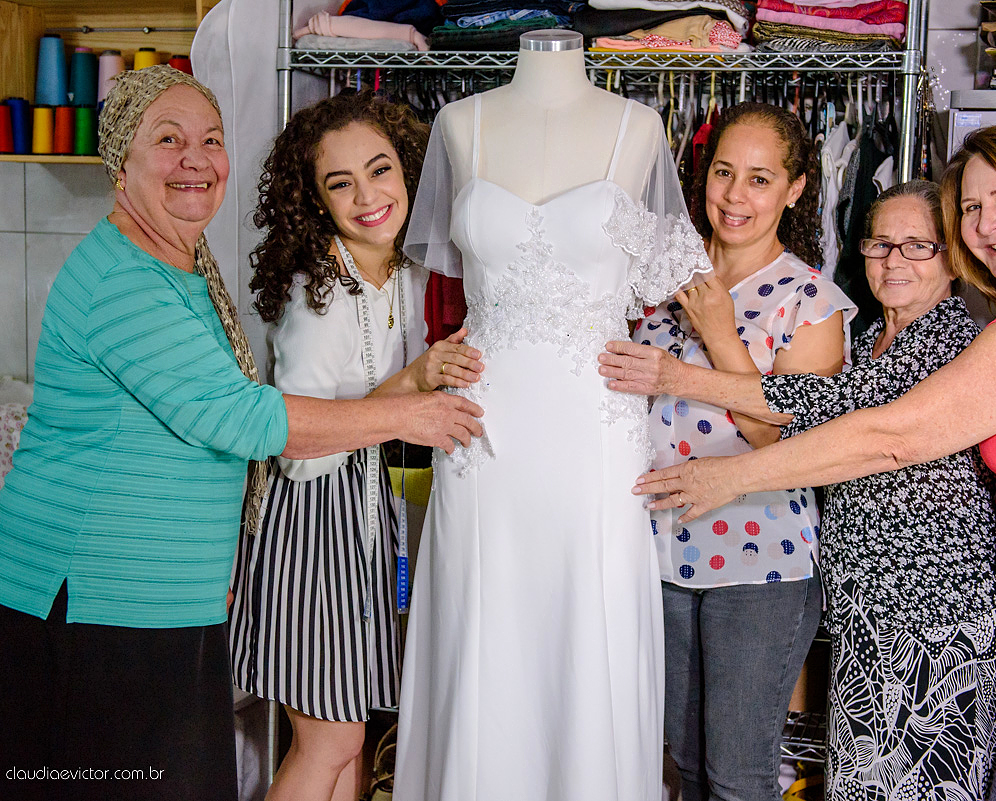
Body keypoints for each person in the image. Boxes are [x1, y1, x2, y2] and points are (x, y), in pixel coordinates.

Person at [616, 123, 996, 801]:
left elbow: (891, 435)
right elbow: (834, 399)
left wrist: (726, 468)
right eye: (973, 208)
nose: (988, 223)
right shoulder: (922, 331)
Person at [0, 66, 481, 801]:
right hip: (96, 600)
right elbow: (246, 418)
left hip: (160, 595)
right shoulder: (125, 282)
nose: (195, 159)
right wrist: (409, 407)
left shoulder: (178, 267)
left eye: (211, 139)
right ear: (121, 160)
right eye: (169, 139)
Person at [394, 31, 711, 801]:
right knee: (482, 621)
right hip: (483, 427)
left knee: (587, 621)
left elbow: (665, 286)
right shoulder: (459, 125)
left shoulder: (636, 129)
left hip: (592, 427)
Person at [227, 91, 483, 801]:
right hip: (309, 528)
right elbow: (299, 452)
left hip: (362, 521)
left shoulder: (409, 273)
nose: (368, 196)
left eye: (381, 171)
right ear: (314, 200)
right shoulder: (322, 297)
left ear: (410, 174)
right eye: (340, 183)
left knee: (353, 742)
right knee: (331, 740)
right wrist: (412, 389)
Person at [636, 102, 854, 801]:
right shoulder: (658, 280)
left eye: (761, 179)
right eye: (724, 172)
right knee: (689, 766)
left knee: (738, 775)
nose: (735, 195)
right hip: (660, 553)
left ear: (794, 190)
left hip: (761, 564)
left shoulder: (811, 300)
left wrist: (720, 335)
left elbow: (790, 437)